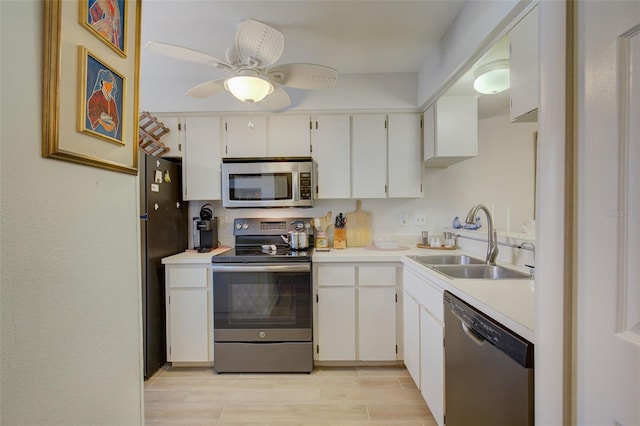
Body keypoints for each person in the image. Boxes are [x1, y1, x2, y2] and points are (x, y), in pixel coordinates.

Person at [87, 68, 120, 137]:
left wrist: (111, 126)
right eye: (107, 84)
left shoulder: (112, 101)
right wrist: (104, 124)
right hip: (99, 127)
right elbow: (93, 112)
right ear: (103, 83)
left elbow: (115, 118)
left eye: (111, 85)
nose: (109, 87)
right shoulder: (96, 96)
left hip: (110, 131)